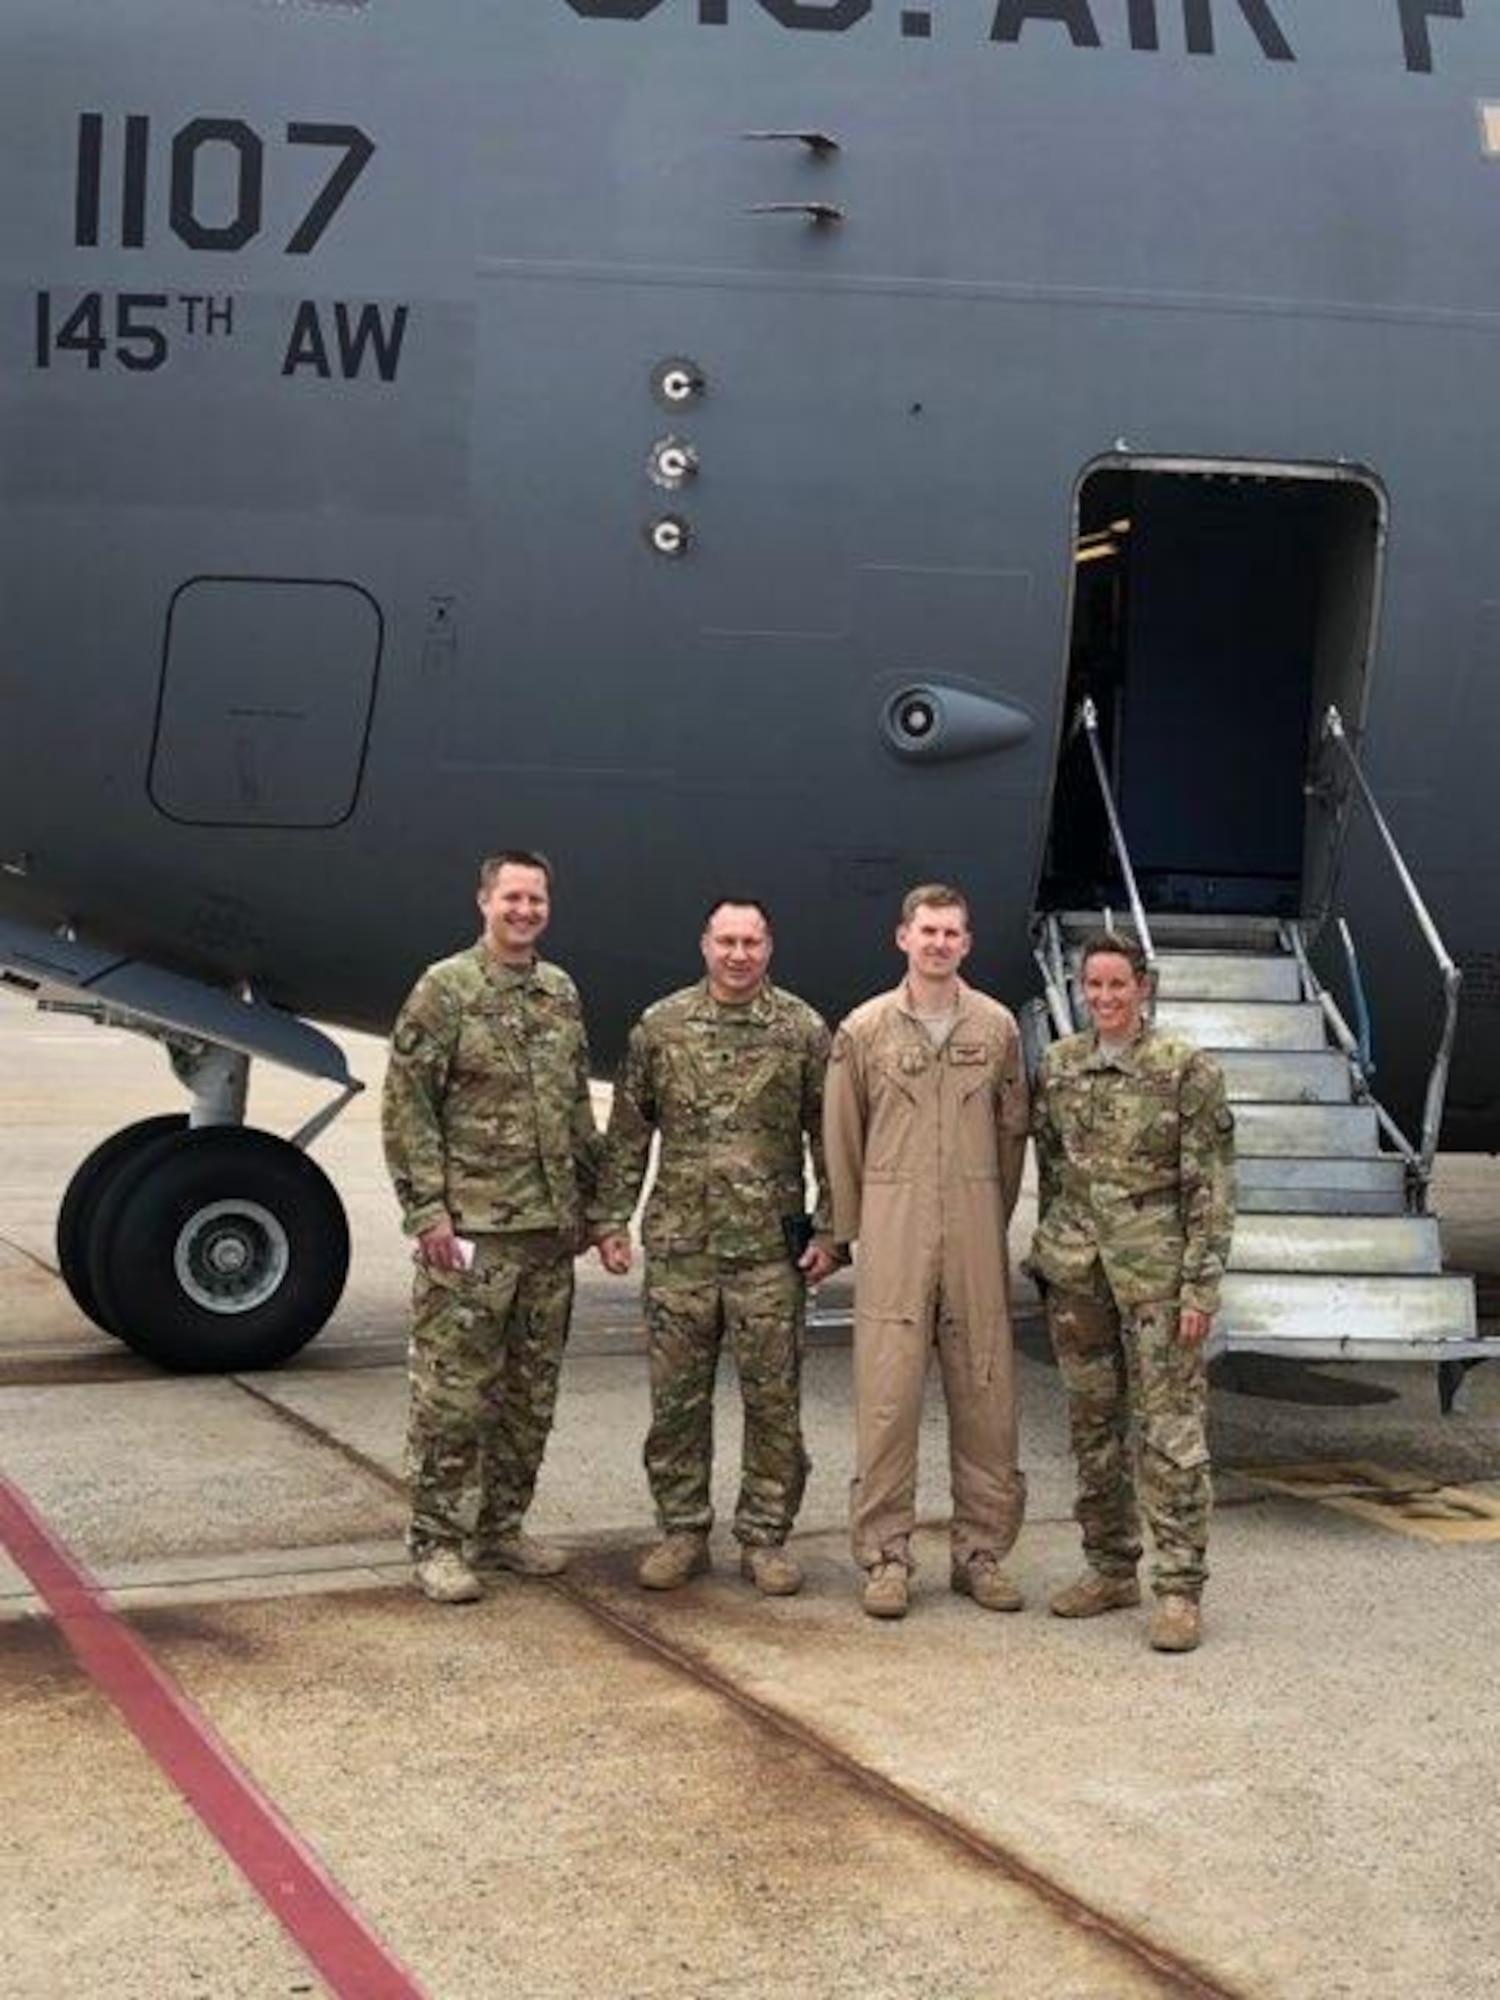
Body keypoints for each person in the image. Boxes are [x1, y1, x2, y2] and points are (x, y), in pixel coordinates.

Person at [593, 899, 838, 1597]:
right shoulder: (661, 1028)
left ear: (769, 947)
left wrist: (832, 1231)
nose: (738, 954)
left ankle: (764, 1538)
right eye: (726, 941)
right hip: (681, 1251)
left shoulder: (800, 1030)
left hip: (769, 1256)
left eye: (751, 942)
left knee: (774, 1406)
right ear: (705, 945)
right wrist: (612, 1219)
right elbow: (629, 1133)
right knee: (676, 1403)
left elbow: (830, 1139)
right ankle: (682, 1531)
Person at [382, 851, 600, 1604]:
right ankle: (438, 1541)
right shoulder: (445, 990)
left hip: (547, 1234)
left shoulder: (559, 994)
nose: (524, 910)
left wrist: (593, 1209)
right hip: (471, 1233)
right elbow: (408, 1105)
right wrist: (426, 1211)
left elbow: (576, 1108)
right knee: (454, 1395)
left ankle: (502, 1529)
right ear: (484, 902)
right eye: (512, 897)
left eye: (536, 899)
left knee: (529, 1396)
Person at [823, 885, 1029, 1621]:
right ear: (901, 938)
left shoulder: (998, 1028)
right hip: (896, 1227)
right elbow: (840, 1135)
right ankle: (885, 1557)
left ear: (966, 944)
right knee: (887, 1401)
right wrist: (844, 1228)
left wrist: (987, 1216)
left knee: (986, 1398)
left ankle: (981, 1554)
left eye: (951, 933)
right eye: (927, 931)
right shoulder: (866, 1029)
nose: (939, 943)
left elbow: (1012, 1137)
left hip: (973, 1229)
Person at [1030, 930, 1235, 1654]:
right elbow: (1052, 1167)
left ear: (1143, 987)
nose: (1106, 998)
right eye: (1095, 986)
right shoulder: (1059, 1065)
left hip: (1158, 1277)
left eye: (1119, 985)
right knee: (1093, 1429)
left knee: (1171, 1431)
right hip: (1078, 1274)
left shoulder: (1185, 1070)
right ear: (1081, 990)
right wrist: (1053, 1254)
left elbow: (1210, 1186)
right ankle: (1110, 1566)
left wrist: (1201, 1287)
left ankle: (1179, 1589)